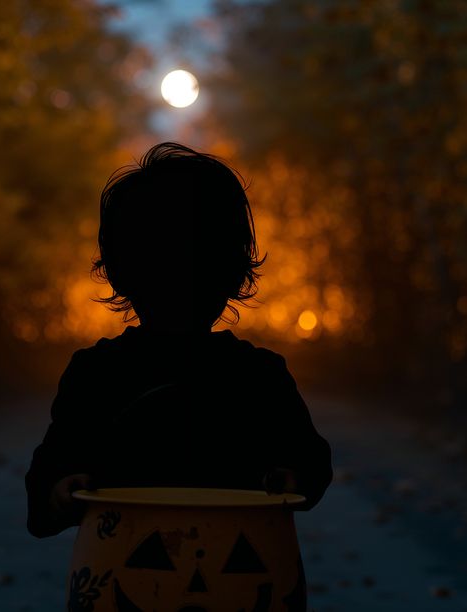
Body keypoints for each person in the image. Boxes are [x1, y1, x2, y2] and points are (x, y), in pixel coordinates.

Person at [25, 142, 333, 538]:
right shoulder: (97, 375)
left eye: (196, 263)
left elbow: (310, 464)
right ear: (239, 272)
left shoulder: (260, 376)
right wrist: (59, 492)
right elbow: (44, 491)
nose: (180, 281)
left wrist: (295, 476)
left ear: (116, 270)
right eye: (163, 263)